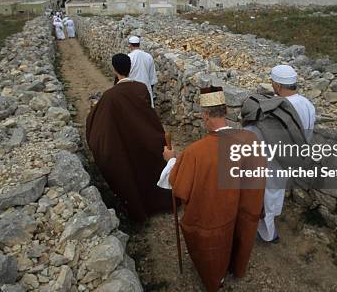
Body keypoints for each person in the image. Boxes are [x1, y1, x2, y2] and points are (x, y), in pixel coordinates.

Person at [158, 86, 264, 292]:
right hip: (243, 208)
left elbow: (179, 187)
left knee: (214, 247)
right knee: (239, 234)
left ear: (206, 115)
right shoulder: (250, 141)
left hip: (215, 217)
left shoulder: (195, 152)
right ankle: (235, 268)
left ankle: (216, 279)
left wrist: (171, 161)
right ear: (224, 111)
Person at [86, 53, 171, 221]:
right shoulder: (141, 87)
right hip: (144, 138)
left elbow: (101, 120)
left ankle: (140, 208)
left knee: (132, 173)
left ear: (114, 69)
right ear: (130, 67)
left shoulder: (110, 95)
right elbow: (147, 114)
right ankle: (159, 202)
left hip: (126, 141)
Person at [253, 64, 315, 243]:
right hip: (294, 156)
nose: (272, 86)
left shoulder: (277, 106)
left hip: (274, 159)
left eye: (272, 83)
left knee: (268, 195)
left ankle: (267, 233)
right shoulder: (308, 105)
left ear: (278, 86)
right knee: (276, 192)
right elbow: (307, 134)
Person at [127, 36, 157, 107]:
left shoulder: (129, 57)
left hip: (133, 89)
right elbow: (152, 78)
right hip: (146, 90)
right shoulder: (148, 56)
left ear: (130, 45)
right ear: (139, 44)